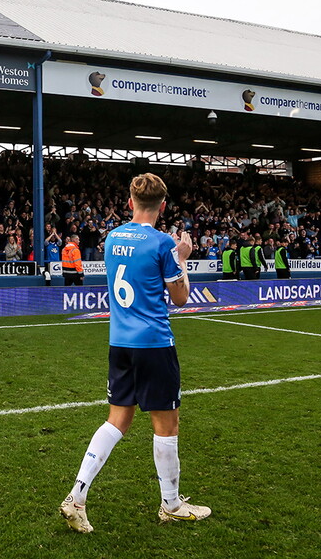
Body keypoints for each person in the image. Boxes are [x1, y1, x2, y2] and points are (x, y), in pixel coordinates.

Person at [60, 173, 210, 533]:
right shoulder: (162, 244)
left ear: (130, 203)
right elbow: (180, 298)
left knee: (117, 420)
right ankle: (171, 505)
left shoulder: (113, 237)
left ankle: (76, 497)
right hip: (153, 343)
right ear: (163, 206)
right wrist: (182, 258)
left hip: (120, 342)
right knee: (166, 425)